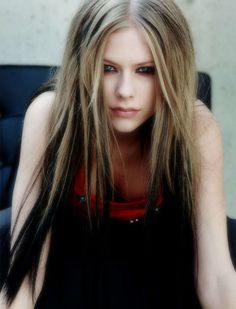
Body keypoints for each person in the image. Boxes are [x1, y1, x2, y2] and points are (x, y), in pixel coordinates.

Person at [1, 0, 236, 308]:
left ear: (172, 70)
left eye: (145, 70)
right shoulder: (50, 115)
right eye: (107, 68)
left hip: (161, 261)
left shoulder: (194, 125)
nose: (125, 90)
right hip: (67, 261)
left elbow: (216, 276)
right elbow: (26, 274)